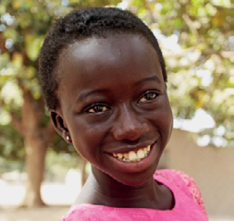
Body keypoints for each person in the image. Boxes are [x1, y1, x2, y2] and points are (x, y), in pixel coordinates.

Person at [39, 7, 208, 221]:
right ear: (62, 124)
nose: (131, 128)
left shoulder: (182, 186)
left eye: (148, 96)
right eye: (98, 108)